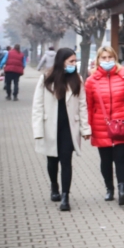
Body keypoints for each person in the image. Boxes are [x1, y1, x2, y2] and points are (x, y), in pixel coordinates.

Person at [85, 45, 124, 206]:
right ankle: (109, 189)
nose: (107, 61)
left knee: (121, 158)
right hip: (101, 126)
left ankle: (122, 189)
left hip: (122, 124)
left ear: (115, 58)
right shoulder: (91, 81)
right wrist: (87, 128)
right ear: (98, 60)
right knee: (105, 160)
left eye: (110, 57)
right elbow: (88, 106)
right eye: (104, 58)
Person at [31, 48, 89, 211]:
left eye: (75, 61)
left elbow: (83, 105)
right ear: (61, 61)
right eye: (71, 61)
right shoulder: (47, 78)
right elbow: (37, 106)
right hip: (50, 126)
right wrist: (38, 131)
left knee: (66, 162)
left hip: (69, 128)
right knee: (52, 162)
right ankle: (54, 185)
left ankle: (65, 197)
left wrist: (85, 129)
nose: (74, 64)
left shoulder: (77, 79)